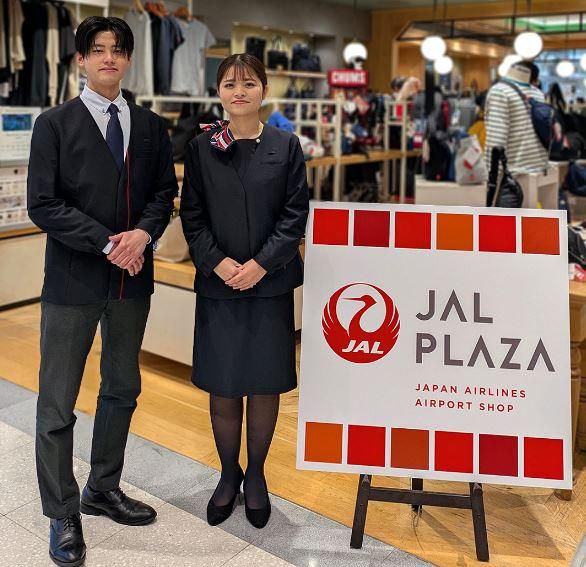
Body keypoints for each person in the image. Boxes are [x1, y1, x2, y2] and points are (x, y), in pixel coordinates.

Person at [27, 16, 178, 567]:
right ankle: (62, 510)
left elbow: (164, 192)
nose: (108, 57)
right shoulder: (54, 124)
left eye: (117, 49)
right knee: (57, 400)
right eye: (97, 50)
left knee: (121, 387)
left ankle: (102, 487)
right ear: (81, 61)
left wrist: (143, 234)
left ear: (129, 59)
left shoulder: (151, 125)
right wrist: (108, 241)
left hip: (131, 281)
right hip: (72, 281)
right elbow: (43, 204)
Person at [180, 53, 309, 529]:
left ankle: (256, 474)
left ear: (264, 91)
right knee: (224, 384)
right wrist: (218, 263)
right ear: (218, 92)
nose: (240, 91)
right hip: (219, 285)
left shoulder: (285, 145)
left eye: (249, 83)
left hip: (269, 285)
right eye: (230, 83)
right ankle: (228, 473)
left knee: (264, 383)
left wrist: (260, 265)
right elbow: (191, 215)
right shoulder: (202, 147)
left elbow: (294, 215)